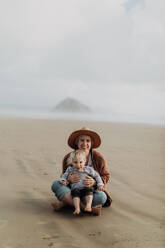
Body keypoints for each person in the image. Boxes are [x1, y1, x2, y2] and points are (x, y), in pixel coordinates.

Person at [51, 127, 112, 216]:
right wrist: (68, 178)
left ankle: (67, 203)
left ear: (91, 143)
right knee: (56, 184)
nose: (85, 143)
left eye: (88, 141)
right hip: (73, 190)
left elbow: (106, 175)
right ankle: (85, 208)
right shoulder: (69, 157)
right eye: (81, 140)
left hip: (90, 192)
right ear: (77, 142)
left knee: (102, 197)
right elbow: (63, 175)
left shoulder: (98, 157)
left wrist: (95, 182)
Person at [60, 149, 104, 215]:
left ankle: (88, 206)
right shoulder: (70, 169)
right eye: (75, 162)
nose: (78, 165)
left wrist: (99, 184)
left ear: (84, 161)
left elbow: (97, 175)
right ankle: (77, 208)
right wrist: (64, 180)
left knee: (90, 192)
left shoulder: (88, 169)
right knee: (74, 194)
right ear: (72, 162)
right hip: (75, 189)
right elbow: (64, 175)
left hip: (85, 188)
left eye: (81, 162)